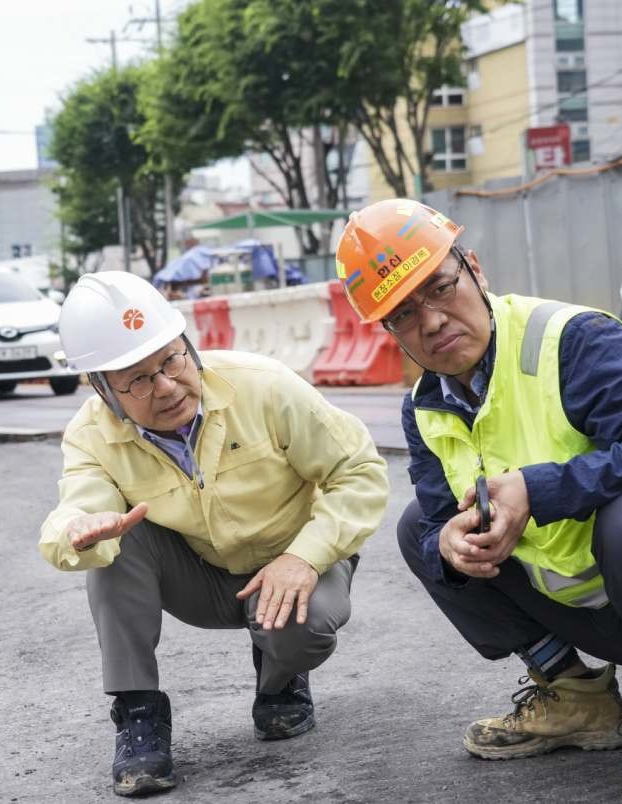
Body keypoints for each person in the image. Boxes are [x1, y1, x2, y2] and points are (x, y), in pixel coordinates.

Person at [336, 199, 622, 803]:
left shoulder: (571, 341)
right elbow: (438, 518)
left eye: (440, 288)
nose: (433, 321)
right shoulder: (426, 406)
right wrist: (448, 542)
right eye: (404, 313)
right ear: (389, 331)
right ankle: (577, 698)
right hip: (608, 614)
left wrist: (537, 490)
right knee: (421, 528)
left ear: (475, 269)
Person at [39, 271, 389, 797]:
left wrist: (307, 557)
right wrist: (81, 531)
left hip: (295, 561)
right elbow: (79, 502)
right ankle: (139, 713)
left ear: (190, 348)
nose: (165, 386)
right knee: (117, 541)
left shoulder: (263, 386)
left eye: (171, 360)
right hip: (201, 576)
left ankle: (279, 677)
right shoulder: (92, 435)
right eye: (136, 379)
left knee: (302, 629)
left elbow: (359, 471)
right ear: (102, 389)